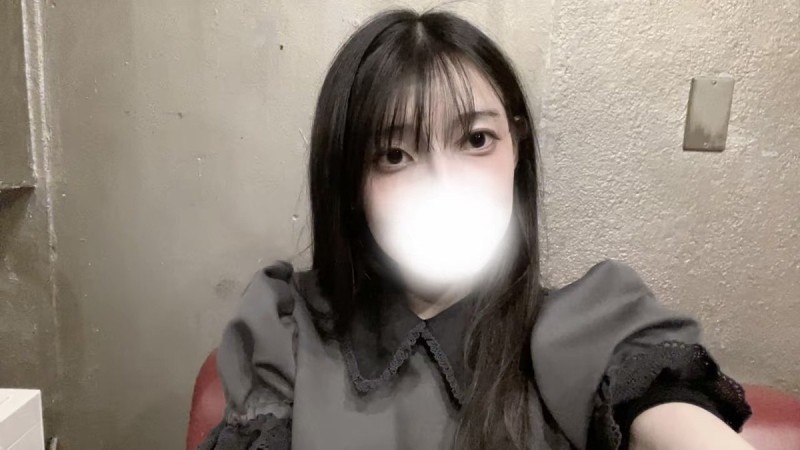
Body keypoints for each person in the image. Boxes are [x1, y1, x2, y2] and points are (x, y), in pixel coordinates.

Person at [199, 9, 752, 450]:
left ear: (516, 147)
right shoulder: (286, 330)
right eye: (393, 154)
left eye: (476, 139)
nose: (445, 185)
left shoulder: (591, 325)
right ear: (349, 182)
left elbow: (672, 416)